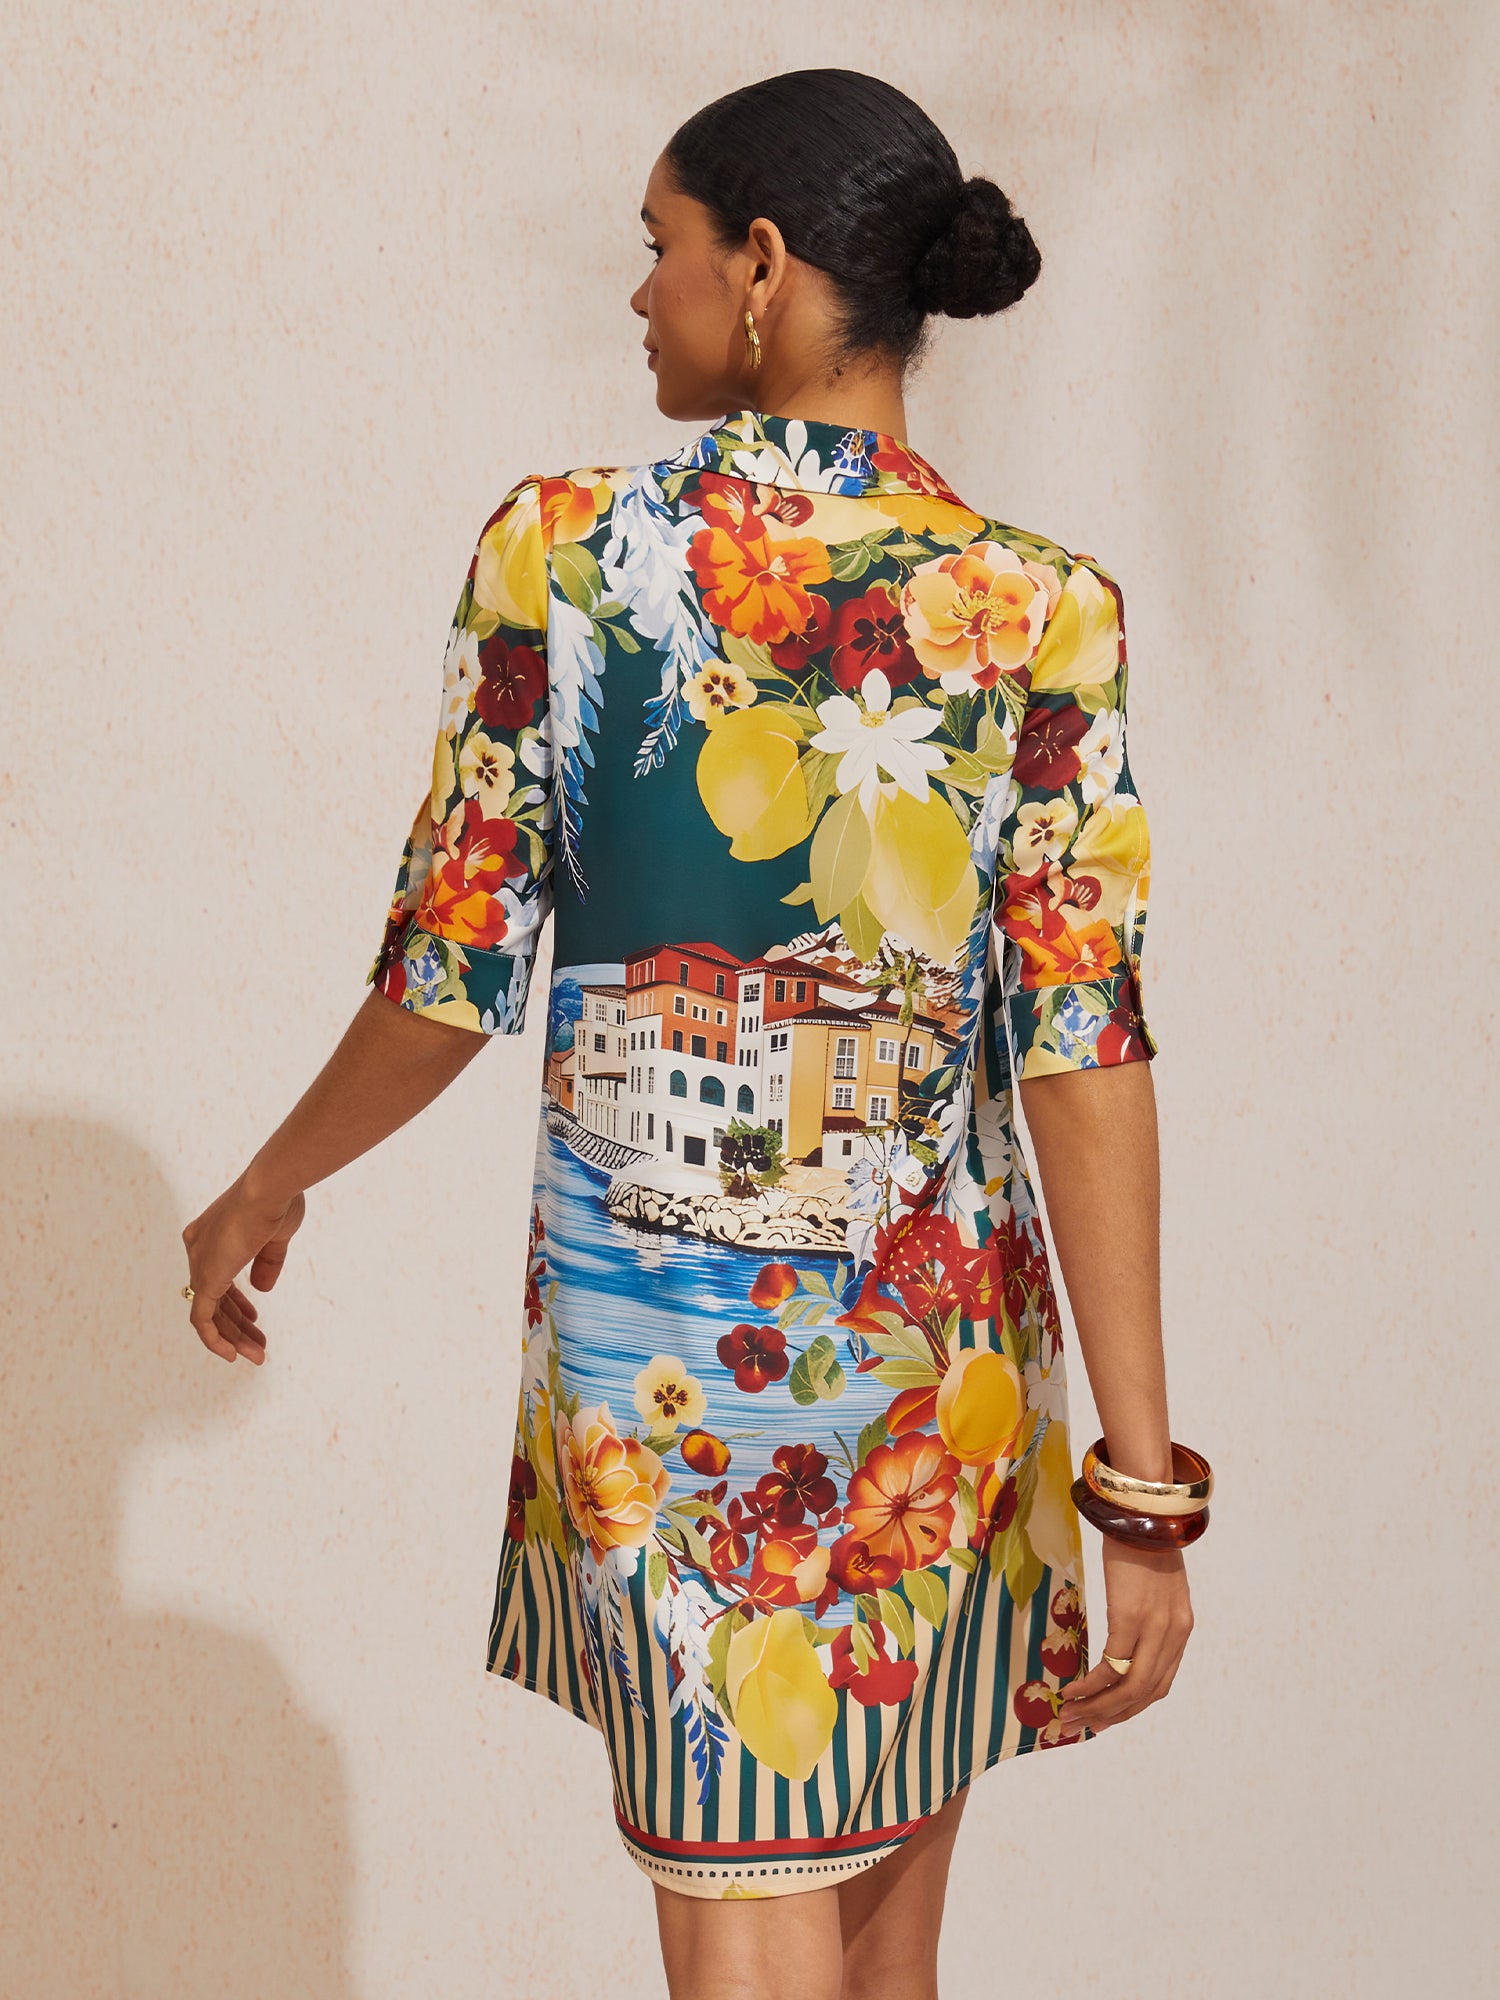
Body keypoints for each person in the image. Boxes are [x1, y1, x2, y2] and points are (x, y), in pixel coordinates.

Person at [182, 68, 1205, 2000]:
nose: (637, 293)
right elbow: (1085, 1048)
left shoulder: (564, 556)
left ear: (762, 266)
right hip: (947, 1387)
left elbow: (450, 969)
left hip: (672, 1413)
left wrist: (269, 1179)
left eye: (658, 248)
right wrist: (1140, 1493)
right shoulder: (1040, 608)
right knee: (882, 1967)